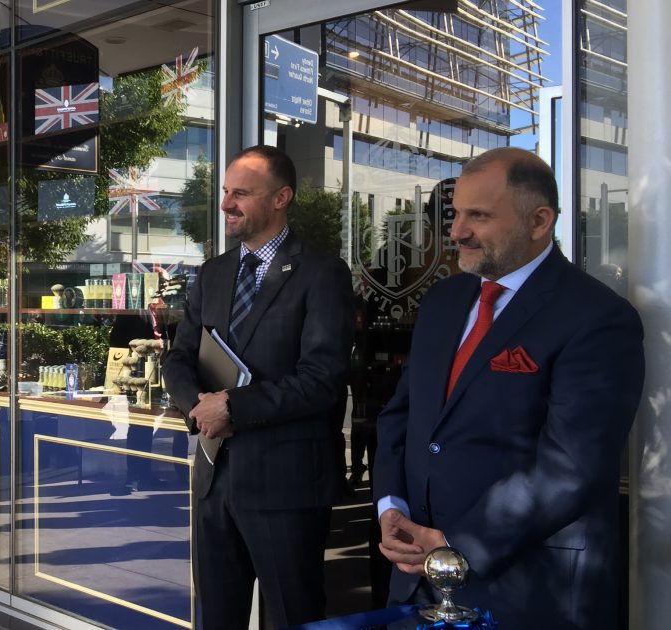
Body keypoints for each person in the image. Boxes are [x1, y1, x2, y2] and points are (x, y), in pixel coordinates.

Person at [374, 148, 645, 627]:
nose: (456, 231)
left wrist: (459, 547)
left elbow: (570, 469)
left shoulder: (597, 318)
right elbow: (404, 416)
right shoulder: (443, 301)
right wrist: (390, 508)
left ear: (539, 221)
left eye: (478, 216)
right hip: (418, 578)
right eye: (456, 213)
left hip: (530, 591)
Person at [162, 145, 356, 629]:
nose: (226, 203)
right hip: (213, 480)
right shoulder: (213, 273)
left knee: (291, 617)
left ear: (280, 198)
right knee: (217, 619)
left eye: (241, 193)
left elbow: (322, 381)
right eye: (226, 192)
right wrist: (198, 408)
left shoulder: (322, 273)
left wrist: (233, 406)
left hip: (286, 485)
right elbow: (178, 358)